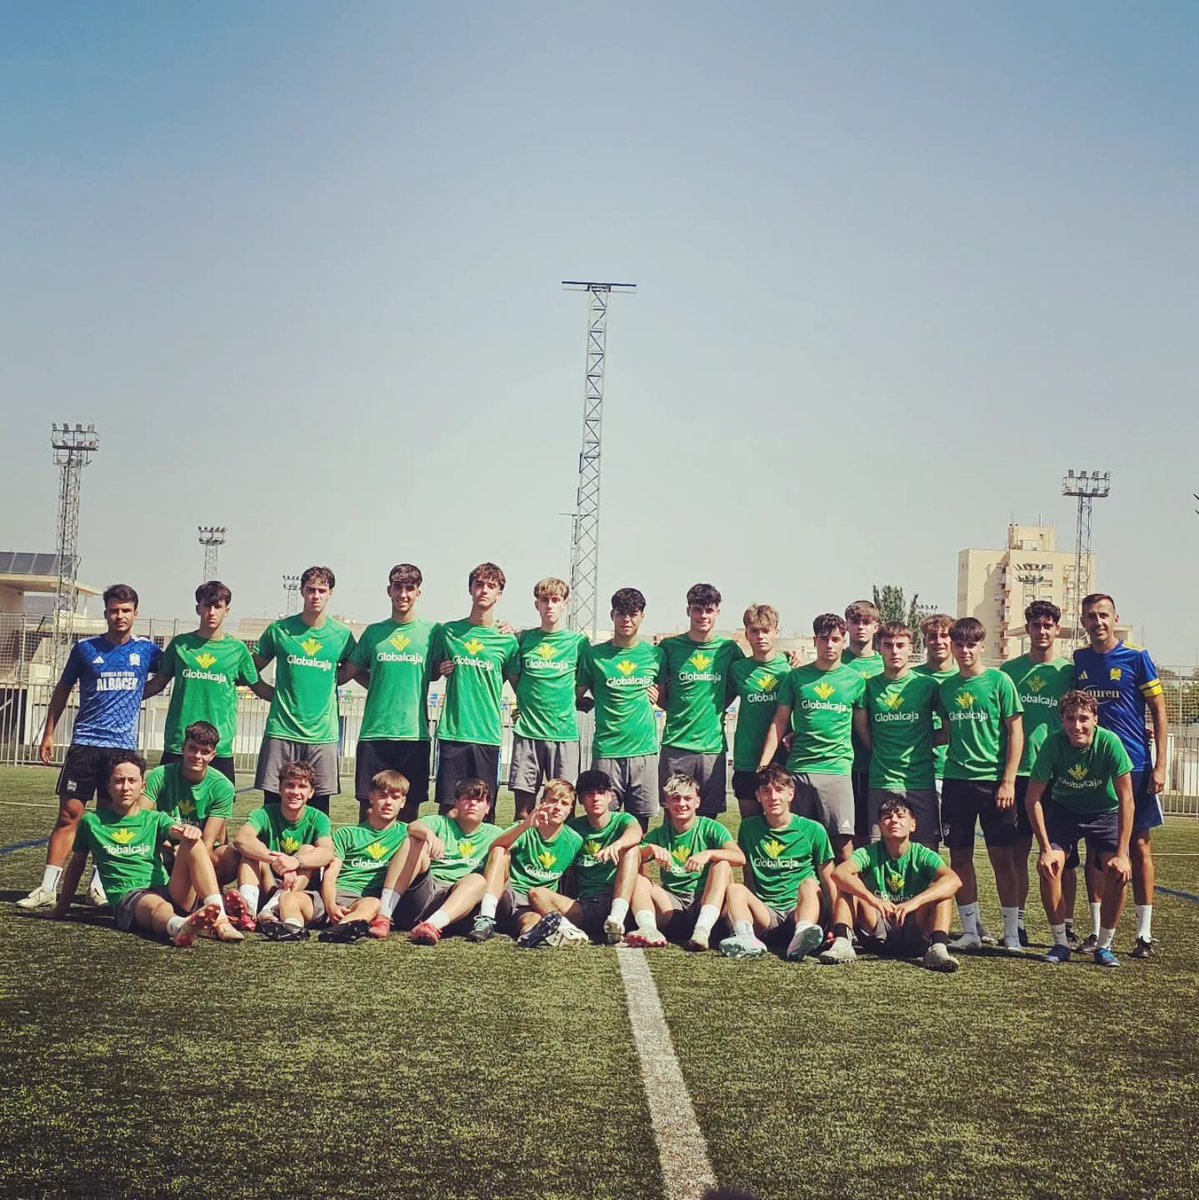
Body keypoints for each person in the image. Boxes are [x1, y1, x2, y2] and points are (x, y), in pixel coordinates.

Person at [20, 583, 163, 910]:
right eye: (114, 610)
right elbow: (62, 689)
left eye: (126, 610)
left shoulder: (148, 651)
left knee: (111, 818)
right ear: (106, 613)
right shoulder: (85, 649)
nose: (119, 616)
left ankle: (98, 887)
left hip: (121, 752)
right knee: (70, 815)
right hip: (85, 744)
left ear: (135, 614)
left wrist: (140, 690)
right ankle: (47, 888)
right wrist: (48, 734)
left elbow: (166, 674)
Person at [51, 751, 243, 945]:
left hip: (168, 890)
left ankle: (220, 919)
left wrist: (186, 831)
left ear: (142, 787)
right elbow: (76, 865)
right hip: (131, 896)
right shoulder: (92, 822)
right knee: (155, 904)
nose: (125, 787)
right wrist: (61, 909)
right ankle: (180, 927)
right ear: (108, 786)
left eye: (132, 781)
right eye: (119, 781)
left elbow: (174, 829)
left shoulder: (155, 818)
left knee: (192, 840)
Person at [1072, 593, 1168, 959]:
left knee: (1140, 845)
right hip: (1095, 769)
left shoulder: (1137, 657)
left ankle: (1143, 933)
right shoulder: (1079, 661)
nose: (1097, 622)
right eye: (1091, 616)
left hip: (1135, 766)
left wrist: (1159, 764)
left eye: (1103, 615)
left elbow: (1159, 710)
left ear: (1115, 618)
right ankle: (1097, 933)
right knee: (1098, 851)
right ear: (1082, 622)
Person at [1025, 691, 1133, 967]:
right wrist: (1045, 849)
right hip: (1065, 812)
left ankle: (1104, 945)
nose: (1077, 726)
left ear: (1095, 719)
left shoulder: (1110, 743)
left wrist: (1123, 853)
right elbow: (1033, 799)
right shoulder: (1052, 744)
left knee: (1118, 872)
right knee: (1049, 867)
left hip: (1104, 814)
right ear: (1062, 720)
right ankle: (1061, 943)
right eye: (1070, 719)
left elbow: (1127, 800)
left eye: (1084, 718)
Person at [938, 617, 1025, 953]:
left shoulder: (1000, 682)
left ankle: (1012, 934)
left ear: (982, 646)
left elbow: (1016, 732)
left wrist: (1008, 780)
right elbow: (944, 733)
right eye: (959, 644)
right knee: (960, 856)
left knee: (1002, 858)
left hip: (993, 783)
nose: (965, 650)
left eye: (971, 644)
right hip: (957, 782)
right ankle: (970, 930)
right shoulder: (946, 688)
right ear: (952, 647)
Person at [758, 613, 866, 862]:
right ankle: (804, 899)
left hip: (837, 771)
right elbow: (780, 721)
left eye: (836, 639)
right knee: (798, 842)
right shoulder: (796, 678)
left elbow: (862, 730)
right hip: (800, 770)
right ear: (815, 641)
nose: (830, 645)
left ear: (844, 641)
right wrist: (764, 763)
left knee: (842, 844)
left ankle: (844, 902)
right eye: (824, 639)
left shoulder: (855, 681)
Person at [253, 565, 356, 816]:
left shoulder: (341, 635)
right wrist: (270, 694)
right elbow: (249, 669)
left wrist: (330, 682)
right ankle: (271, 855)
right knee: (274, 806)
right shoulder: (279, 630)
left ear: (331, 593)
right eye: (311, 590)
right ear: (302, 591)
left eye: (322, 590)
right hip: (282, 730)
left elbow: (350, 670)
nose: (316, 596)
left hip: (323, 735)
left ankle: (314, 855)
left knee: (318, 808)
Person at [1000, 600, 1075, 947]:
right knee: (1018, 852)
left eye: (1048, 626)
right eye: (1036, 626)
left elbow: (1084, 719)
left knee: (1063, 856)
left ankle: (1067, 922)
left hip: (1058, 777)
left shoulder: (1068, 673)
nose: (1042, 632)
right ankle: (1019, 922)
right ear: (1027, 629)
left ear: (1057, 630)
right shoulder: (1010, 671)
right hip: (1019, 774)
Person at [144, 580, 268, 784]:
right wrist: (122, 696)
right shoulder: (180, 645)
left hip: (218, 747)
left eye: (218, 606)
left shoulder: (237, 650)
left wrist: (291, 699)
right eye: (207, 606)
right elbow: (158, 683)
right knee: (167, 808)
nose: (211, 612)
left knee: (219, 808)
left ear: (227, 610)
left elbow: (259, 687)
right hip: (180, 743)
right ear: (197, 608)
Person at [819, 795, 962, 972]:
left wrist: (914, 902)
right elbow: (839, 873)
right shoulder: (869, 853)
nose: (893, 820)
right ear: (880, 826)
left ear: (913, 825)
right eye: (887, 816)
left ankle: (938, 949)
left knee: (942, 892)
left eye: (900, 816)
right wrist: (874, 900)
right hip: (876, 927)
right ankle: (842, 944)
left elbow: (954, 880)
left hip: (914, 931)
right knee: (848, 884)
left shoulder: (923, 854)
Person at [347, 563, 438, 824]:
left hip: (414, 735)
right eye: (398, 587)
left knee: (408, 813)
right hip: (375, 734)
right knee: (369, 809)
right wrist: (378, 683)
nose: (403, 594)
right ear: (389, 590)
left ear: (418, 593)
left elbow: (438, 670)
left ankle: (404, 865)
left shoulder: (433, 633)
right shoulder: (374, 633)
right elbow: (351, 671)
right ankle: (363, 863)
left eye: (410, 588)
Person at [428, 562, 519, 816]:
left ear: (499, 594)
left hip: (487, 735)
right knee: (450, 808)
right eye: (479, 584)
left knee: (484, 810)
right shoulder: (448, 632)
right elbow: (434, 670)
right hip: (453, 733)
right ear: (470, 589)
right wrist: (442, 668)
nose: (484, 590)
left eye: (492, 586)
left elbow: (519, 684)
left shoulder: (507, 639)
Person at [718, 765, 835, 961]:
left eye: (779, 790)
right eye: (766, 791)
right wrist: (746, 911)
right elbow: (748, 875)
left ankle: (802, 935)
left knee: (810, 884)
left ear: (790, 794)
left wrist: (835, 926)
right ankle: (746, 938)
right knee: (735, 889)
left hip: (799, 911)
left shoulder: (814, 830)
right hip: (766, 913)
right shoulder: (748, 828)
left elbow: (828, 880)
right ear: (758, 796)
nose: (773, 797)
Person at [520, 769, 642, 944]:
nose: (596, 798)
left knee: (632, 850)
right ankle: (568, 930)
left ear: (610, 796)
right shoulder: (574, 829)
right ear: (581, 801)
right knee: (537, 894)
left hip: (617, 899)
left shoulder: (622, 820)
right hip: (586, 906)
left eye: (601, 792)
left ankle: (617, 918)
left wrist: (618, 845)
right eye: (589, 794)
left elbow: (636, 833)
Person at [576, 587, 665, 826]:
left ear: (642, 616)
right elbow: (574, 693)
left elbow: (669, 698)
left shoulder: (655, 655)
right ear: (612, 614)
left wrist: (659, 697)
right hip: (608, 752)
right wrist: (582, 702)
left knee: (640, 828)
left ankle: (636, 866)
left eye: (633, 614)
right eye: (621, 613)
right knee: (603, 824)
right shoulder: (594, 655)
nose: (627, 619)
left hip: (644, 751)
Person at [626, 773, 745, 951]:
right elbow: (630, 859)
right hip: (672, 905)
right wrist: (649, 849)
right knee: (640, 880)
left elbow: (739, 858)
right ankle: (649, 929)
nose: (682, 804)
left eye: (687, 798)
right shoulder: (660, 833)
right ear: (666, 803)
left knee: (722, 865)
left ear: (697, 802)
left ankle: (702, 931)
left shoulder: (711, 828)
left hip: (704, 902)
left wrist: (708, 854)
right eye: (676, 798)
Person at [379, 778, 505, 942]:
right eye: (467, 798)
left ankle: (432, 925)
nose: (472, 803)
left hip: (461, 903)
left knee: (478, 879)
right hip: (427, 894)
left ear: (488, 808)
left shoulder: (494, 833)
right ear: (456, 803)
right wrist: (429, 835)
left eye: (479, 800)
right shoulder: (441, 822)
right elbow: (413, 826)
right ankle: (383, 916)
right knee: (414, 841)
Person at [657, 583, 745, 817]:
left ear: (718, 611)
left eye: (709, 610)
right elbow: (660, 692)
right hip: (676, 744)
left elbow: (747, 677)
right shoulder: (670, 647)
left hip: (711, 748)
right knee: (674, 815)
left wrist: (789, 658)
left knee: (708, 817)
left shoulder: (728, 650)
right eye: (697, 609)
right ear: (688, 611)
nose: (702, 615)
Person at [467, 779, 586, 944]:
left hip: (533, 904)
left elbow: (573, 875)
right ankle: (485, 918)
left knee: (531, 921)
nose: (558, 807)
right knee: (501, 851)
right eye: (552, 800)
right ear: (542, 803)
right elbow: (495, 847)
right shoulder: (525, 828)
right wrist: (525, 825)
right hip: (507, 897)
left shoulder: (574, 840)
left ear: (570, 809)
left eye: (564, 803)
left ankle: (533, 936)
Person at [508, 577, 589, 818]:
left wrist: (564, 702)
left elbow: (582, 683)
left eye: (555, 600)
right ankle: (522, 854)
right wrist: (527, 702)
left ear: (565, 603)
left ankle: (563, 855)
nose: (550, 606)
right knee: (523, 811)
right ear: (537, 604)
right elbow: (515, 678)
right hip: (528, 733)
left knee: (564, 809)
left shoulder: (578, 643)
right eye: (545, 600)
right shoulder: (522, 639)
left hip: (563, 734)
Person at [855, 622, 941, 849]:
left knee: (926, 850)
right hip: (882, 780)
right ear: (879, 648)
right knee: (878, 850)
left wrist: (924, 744)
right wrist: (878, 749)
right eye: (888, 645)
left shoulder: (927, 685)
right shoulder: (869, 687)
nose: (894, 651)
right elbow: (862, 728)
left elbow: (951, 727)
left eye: (900, 645)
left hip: (920, 781)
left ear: (910, 648)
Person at [232, 760, 335, 938]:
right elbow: (242, 839)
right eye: (289, 785)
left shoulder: (319, 818)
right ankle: (248, 912)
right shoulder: (264, 813)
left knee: (307, 849)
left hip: (299, 888)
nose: (295, 792)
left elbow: (327, 852)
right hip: (269, 880)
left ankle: (270, 908)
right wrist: (276, 860)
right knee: (250, 855)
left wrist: (295, 862)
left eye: (302, 786)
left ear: (311, 793)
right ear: (279, 788)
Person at [311, 770, 411, 941]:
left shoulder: (407, 834)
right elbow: (331, 874)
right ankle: (287, 925)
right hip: (340, 894)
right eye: (383, 795)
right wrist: (330, 905)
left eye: (395, 797)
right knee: (293, 900)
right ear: (371, 797)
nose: (388, 802)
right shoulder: (347, 834)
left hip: (370, 902)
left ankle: (339, 930)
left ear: (403, 802)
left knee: (373, 903)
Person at [142, 720, 239, 887]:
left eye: (205, 752)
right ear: (183, 748)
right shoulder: (159, 775)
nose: (197, 756)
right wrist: (170, 848)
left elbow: (208, 842)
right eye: (193, 748)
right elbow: (141, 819)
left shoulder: (223, 787)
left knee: (232, 857)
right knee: (140, 847)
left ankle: (208, 894)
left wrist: (187, 852)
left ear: (213, 755)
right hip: (166, 845)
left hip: (200, 848)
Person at [728, 605, 792, 818]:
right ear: (747, 634)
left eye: (766, 631)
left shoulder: (791, 668)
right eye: (755, 631)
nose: (760, 636)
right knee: (750, 826)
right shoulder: (737, 669)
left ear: (777, 632)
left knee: (782, 823)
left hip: (783, 759)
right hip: (747, 760)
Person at [841, 600, 885, 844]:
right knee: (845, 833)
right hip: (842, 761)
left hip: (877, 762)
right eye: (855, 621)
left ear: (876, 626)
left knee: (875, 833)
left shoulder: (884, 662)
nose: (860, 627)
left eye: (866, 622)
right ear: (846, 625)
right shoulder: (836, 659)